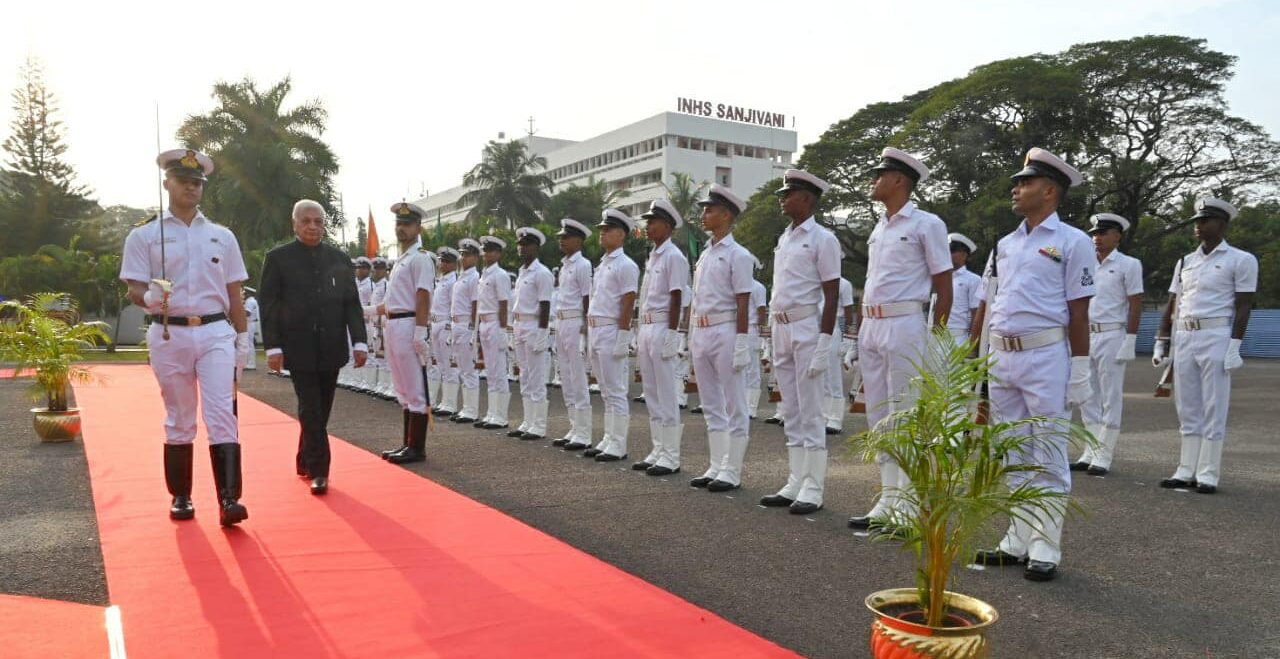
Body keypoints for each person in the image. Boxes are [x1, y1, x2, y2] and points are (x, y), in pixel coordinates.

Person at [970, 147, 1094, 582]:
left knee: (1049, 452)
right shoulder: (1005, 243)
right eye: (1017, 182)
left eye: (1025, 183)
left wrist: (1080, 368)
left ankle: (1045, 544)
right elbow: (995, 303)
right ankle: (1016, 538)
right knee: (1014, 452)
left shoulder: (1073, 241)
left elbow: (1079, 312)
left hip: (1045, 356)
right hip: (1004, 355)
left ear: (1050, 190)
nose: (1016, 189)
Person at [119, 148, 251, 525]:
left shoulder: (221, 237)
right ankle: (181, 495)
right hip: (169, 332)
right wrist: (148, 298)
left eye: (197, 183)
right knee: (179, 416)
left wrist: (242, 339)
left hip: (214, 331)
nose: (191, 188)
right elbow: (134, 288)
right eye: (184, 182)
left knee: (222, 412)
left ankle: (229, 500)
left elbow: (234, 294)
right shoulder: (145, 235)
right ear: (168, 184)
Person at [845, 148, 952, 533]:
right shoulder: (880, 227)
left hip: (905, 322)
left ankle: (908, 505)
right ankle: (888, 499)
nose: (873, 180)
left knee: (905, 416)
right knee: (879, 418)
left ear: (899, 181)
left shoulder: (927, 224)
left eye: (880, 174)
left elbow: (943, 284)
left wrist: (937, 339)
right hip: (873, 326)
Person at [259, 200, 367, 495]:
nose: (312, 226)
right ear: (294, 224)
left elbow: (351, 304)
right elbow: (269, 306)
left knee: (321, 407)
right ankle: (320, 470)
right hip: (298, 346)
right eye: (306, 221)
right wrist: (273, 347)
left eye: (318, 221)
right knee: (311, 408)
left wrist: (359, 340)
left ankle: (305, 458)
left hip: (331, 346)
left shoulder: (339, 259)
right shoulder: (279, 258)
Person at [1153, 198, 1256, 494]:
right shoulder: (1185, 261)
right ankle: (1185, 469)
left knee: (1214, 405)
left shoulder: (1241, 259)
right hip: (1185, 336)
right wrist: (1162, 341)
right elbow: (1173, 303)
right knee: (1187, 406)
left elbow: (1244, 305)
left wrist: (1235, 345)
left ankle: (1208, 473)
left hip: (1216, 334)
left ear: (1222, 225)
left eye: (1205, 221)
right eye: (1196, 221)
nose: (1198, 226)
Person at [759, 170, 842, 515]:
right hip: (781, 328)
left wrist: (824, 340)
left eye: (789, 193)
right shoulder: (785, 238)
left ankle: (814, 486)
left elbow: (832, 292)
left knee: (811, 409)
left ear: (806, 198)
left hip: (807, 326)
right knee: (791, 408)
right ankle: (796, 478)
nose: (783, 198)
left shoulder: (823, 239)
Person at [688, 185, 756, 491]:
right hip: (702, 330)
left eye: (710, 210)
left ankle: (732, 469)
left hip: (726, 329)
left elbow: (743, 299)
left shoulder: (738, 255)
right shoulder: (704, 255)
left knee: (734, 402)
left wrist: (743, 339)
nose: (704, 215)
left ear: (726, 214)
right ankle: (716, 464)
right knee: (711, 402)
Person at [1070, 214, 1143, 476]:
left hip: (1112, 334)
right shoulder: (1086, 264)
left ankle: (1104, 454)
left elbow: (1135, 303)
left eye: (1104, 233)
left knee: (1110, 395)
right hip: (1086, 334)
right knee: (1087, 395)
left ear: (1118, 236)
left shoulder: (1128, 264)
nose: (1097, 238)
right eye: (1095, 233)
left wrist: (1130, 339)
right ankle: (1089, 449)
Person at [631, 200, 690, 476]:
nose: (648, 225)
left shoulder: (673, 256)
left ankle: (671, 455)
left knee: (666, 393)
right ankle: (658, 448)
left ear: (667, 226)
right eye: (648, 221)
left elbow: (677, 295)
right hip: (646, 327)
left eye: (653, 221)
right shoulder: (654, 255)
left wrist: (672, 333)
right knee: (652, 393)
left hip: (662, 326)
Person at [377, 202, 436, 464]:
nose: (401, 229)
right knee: (401, 387)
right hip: (394, 324)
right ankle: (407, 443)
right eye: (398, 224)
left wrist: (420, 332)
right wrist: (366, 310)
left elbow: (423, 295)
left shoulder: (421, 257)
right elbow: (393, 301)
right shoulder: (402, 259)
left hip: (409, 324)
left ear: (418, 227)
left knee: (414, 388)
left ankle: (417, 448)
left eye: (407, 224)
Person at [584, 209, 640, 461]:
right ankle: (609, 437)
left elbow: (628, 302)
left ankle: (619, 444)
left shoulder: (626, 265)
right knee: (605, 390)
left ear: (621, 234)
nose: (602, 234)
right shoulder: (604, 263)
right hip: (596, 329)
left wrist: (623, 335)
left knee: (615, 389)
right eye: (601, 230)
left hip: (610, 328)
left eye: (607, 230)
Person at [508, 227, 554, 439]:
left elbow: (545, 305)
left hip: (534, 326)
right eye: (520, 245)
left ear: (536, 248)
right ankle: (528, 421)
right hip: (519, 326)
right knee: (524, 375)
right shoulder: (522, 272)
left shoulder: (542, 273)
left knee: (536, 376)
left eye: (526, 245)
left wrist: (542, 333)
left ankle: (539, 425)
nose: (522, 248)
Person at [553, 219, 595, 450]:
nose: (562, 240)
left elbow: (587, 297)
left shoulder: (583, 264)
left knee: (578, 378)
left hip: (574, 321)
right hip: (561, 322)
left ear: (578, 241)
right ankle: (574, 427)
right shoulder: (565, 265)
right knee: (566, 377)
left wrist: (585, 331)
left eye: (566, 237)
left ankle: (584, 433)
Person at [474, 236, 513, 430]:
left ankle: (501, 416)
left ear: (498, 253)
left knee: (498, 370)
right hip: (484, 323)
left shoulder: (500, 275)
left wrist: (504, 330)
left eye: (491, 251)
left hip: (496, 323)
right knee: (490, 370)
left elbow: (504, 303)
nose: (486, 254)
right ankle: (492, 412)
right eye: (485, 250)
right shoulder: (484, 275)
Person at [450, 239, 483, 424]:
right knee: (462, 368)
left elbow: (475, 304)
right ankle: (466, 408)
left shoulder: (473, 277)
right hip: (456, 325)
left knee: (469, 370)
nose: (464, 258)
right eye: (462, 254)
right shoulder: (461, 276)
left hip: (465, 326)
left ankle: (471, 410)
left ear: (476, 258)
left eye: (468, 255)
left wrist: (473, 330)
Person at [429, 247, 460, 417]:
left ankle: (450, 404)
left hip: (446, 325)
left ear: (454, 264)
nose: (443, 264)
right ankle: (439, 401)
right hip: (435, 324)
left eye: (446, 261)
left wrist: (449, 328)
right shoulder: (440, 280)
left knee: (449, 365)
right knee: (438, 364)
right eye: (441, 260)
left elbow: (453, 306)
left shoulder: (454, 280)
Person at [823, 277, 856, 435]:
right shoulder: (813, 279)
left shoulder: (844, 284)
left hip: (833, 326)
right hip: (811, 327)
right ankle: (822, 415)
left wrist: (847, 340)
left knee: (832, 375)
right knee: (818, 377)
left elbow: (849, 313)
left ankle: (835, 418)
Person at [945, 233, 982, 345]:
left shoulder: (973, 279)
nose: (948, 254)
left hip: (959, 339)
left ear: (964, 254)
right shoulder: (943, 278)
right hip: (937, 338)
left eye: (952, 250)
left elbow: (977, 313)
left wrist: (972, 346)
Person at [745, 257, 768, 419]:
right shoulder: (735, 285)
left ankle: (751, 407)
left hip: (751, 329)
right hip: (735, 329)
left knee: (752, 369)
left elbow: (761, 312)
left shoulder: (758, 287)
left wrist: (761, 335)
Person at [242, 288, 259, 371]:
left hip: (250, 323)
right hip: (250, 323)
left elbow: (247, 313)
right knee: (248, 343)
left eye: (245, 293)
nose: (244, 294)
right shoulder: (251, 300)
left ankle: (251, 364)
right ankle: (249, 363)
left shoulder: (249, 301)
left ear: (249, 293)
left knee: (249, 344)